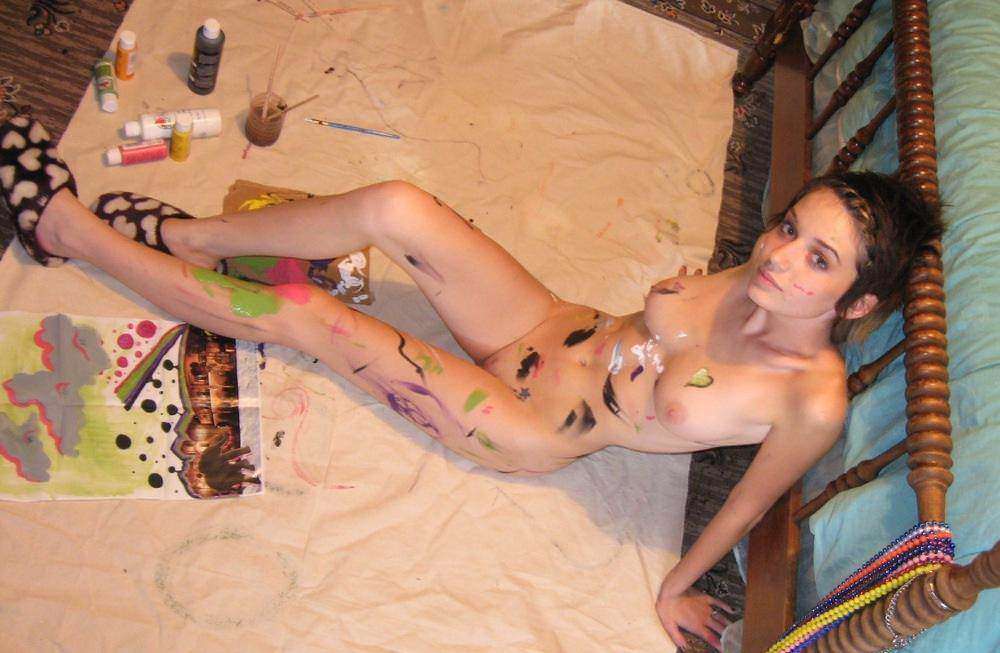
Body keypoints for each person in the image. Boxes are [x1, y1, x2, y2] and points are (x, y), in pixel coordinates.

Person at [0, 117, 943, 650]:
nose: (780, 257)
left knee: (308, 314)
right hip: (547, 322)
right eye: (789, 227)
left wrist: (676, 588)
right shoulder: (765, 268)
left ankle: (68, 231)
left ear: (857, 303)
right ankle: (188, 234)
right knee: (395, 205)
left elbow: (747, 503)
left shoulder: (810, 401)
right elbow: (678, 314)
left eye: (818, 260)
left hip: (528, 419)